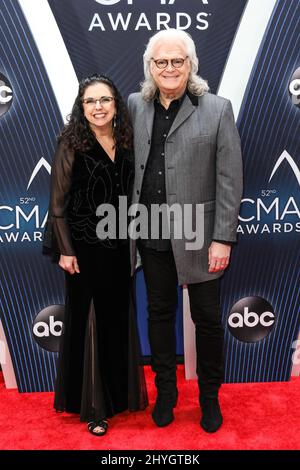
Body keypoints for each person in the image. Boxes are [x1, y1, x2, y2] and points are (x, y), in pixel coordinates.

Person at [128, 29, 243, 433]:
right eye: (161, 61)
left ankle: (210, 399)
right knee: (159, 315)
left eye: (177, 60)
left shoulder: (216, 108)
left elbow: (230, 179)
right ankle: (166, 395)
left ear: (191, 64)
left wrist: (222, 238)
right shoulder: (134, 106)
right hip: (151, 233)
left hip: (201, 234)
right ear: (150, 67)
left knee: (208, 320)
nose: (169, 68)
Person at [43, 74, 148, 436]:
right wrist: (65, 251)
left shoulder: (126, 140)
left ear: (116, 104)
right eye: (90, 101)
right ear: (81, 106)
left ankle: (119, 397)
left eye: (105, 100)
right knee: (89, 323)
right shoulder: (71, 143)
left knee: (117, 320)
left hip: (119, 248)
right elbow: (57, 204)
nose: (98, 107)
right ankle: (94, 408)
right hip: (83, 250)